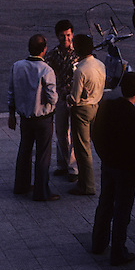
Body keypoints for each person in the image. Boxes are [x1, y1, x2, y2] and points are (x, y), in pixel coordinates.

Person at [91, 71, 135, 266]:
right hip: (126, 170)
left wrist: (104, 155)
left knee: (105, 203)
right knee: (122, 210)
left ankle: (98, 242)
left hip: (109, 164)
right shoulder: (134, 117)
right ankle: (118, 250)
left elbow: (95, 133)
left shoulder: (107, 107)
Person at [8, 34, 59, 202]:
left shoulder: (17, 66)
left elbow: (11, 92)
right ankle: (41, 191)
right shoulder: (46, 70)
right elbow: (52, 97)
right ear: (44, 49)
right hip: (43, 118)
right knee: (43, 155)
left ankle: (21, 185)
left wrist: (11, 114)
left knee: (25, 151)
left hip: (25, 117)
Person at [68, 34, 105, 196]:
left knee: (83, 149)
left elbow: (75, 98)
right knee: (88, 146)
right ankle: (84, 182)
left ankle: (87, 185)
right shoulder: (100, 65)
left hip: (82, 110)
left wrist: (67, 96)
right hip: (95, 105)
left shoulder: (80, 70)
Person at [46, 19, 79, 182]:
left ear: (72, 35)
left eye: (68, 35)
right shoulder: (52, 55)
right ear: (57, 36)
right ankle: (62, 164)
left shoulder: (78, 53)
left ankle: (73, 168)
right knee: (60, 132)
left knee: (73, 133)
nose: (65, 38)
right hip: (59, 97)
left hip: (75, 98)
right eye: (62, 36)